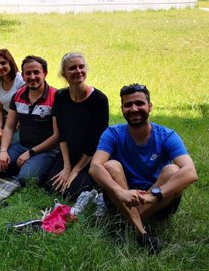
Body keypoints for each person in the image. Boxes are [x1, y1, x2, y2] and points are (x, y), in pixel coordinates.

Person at [89, 84, 198, 254]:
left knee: (173, 171)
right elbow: (94, 167)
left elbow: (190, 172)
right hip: (124, 195)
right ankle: (142, 233)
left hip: (157, 200)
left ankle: (127, 221)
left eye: (139, 103)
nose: (134, 109)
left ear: (150, 106)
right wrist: (119, 192)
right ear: (122, 109)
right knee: (110, 166)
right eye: (128, 105)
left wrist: (153, 196)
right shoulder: (113, 133)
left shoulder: (167, 135)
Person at [0, 56, 59, 185]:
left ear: (45, 74)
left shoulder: (56, 97)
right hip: (23, 145)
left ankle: (30, 167)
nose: (32, 77)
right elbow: (9, 127)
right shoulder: (19, 95)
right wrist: (3, 151)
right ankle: (24, 166)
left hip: (47, 149)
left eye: (36, 72)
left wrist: (30, 153)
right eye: (28, 73)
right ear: (23, 76)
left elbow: (57, 136)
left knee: (27, 179)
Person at [46, 53, 109, 200]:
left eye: (81, 67)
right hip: (69, 153)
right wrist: (67, 166)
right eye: (72, 68)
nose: (78, 71)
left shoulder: (99, 100)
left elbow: (95, 140)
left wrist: (76, 170)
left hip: (90, 156)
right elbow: (62, 133)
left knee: (72, 192)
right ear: (64, 74)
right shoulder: (60, 96)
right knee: (52, 187)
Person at [0, 49, 25, 149]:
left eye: (3, 63)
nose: (0, 67)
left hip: (22, 121)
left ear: (10, 63)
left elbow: (23, 110)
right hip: (6, 118)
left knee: (8, 145)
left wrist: (7, 132)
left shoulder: (20, 81)